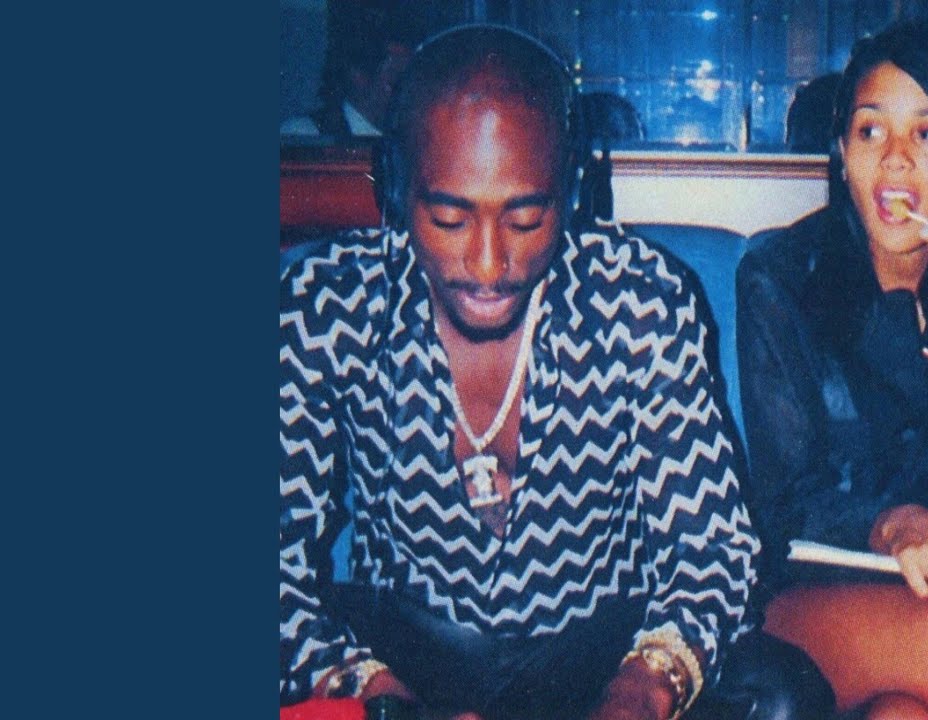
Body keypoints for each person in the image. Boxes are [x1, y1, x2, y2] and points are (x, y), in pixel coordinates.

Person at [280, 24, 831, 720]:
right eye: (449, 218)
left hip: (602, 658)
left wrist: (641, 694)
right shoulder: (328, 302)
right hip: (400, 659)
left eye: (526, 218)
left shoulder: (641, 297)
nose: (488, 263)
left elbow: (713, 550)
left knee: (780, 696)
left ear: (572, 192)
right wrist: (378, 697)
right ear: (395, 191)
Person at [736, 21, 928, 720]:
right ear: (843, 152)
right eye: (870, 130)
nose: (895, 160)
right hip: (807, 596)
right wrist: (895, 523)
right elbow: (786, 502)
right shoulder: (781, 277)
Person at [279, 2, 415, 139]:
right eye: (397, 83)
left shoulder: (412, 140)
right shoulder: (304, 134)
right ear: (359, 77)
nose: (409, 94)